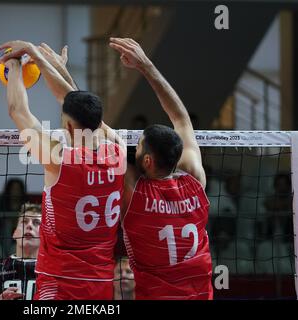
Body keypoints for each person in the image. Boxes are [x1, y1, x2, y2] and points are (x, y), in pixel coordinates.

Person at [0, 41, 126, 299]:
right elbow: (76, 103)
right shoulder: (119, 150)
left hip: (59, 281)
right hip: (100, 282)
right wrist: (48, 64)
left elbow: (17, 110)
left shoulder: (59, 159)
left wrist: (13, 64)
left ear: (67, 128)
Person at [109, 37, 212, 300]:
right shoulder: (194, 176)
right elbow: (180, 117)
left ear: (147, 161)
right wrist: (146, 65)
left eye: (140, 145)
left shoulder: (133, 192)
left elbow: (90, 123)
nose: (136, 147)